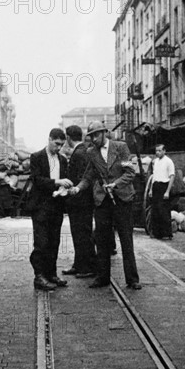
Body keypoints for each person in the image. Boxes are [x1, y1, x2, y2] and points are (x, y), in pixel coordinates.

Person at [69, 121, 141, 290]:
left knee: (126, 239)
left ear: (104, 133)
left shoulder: (121, 147)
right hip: (102, 201)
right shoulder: (91, 152)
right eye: (91, 136)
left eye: (96, 135)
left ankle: (132, 279)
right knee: (102, 240)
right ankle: (103, 277)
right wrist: (77, 188)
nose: (93, 139)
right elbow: (88, 177)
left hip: (122, 199)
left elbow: (130, 173)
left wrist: (115, 184)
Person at [26, 128, 72, 291]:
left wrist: (65, 189)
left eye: (61, 145)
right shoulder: (37, 157)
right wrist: (57, 182)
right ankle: (39, 276)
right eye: (56, 144)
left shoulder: (63, 159)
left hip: (56, 205)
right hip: (40, 206)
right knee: (41, 242)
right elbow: (37, 180)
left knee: (54, 241)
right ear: (49, 139)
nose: (58, 148)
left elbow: (66, 179)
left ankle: (51, 274)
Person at [63, 125, 97, 279]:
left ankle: (88, 267)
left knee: (82, 234)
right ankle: (79, 265)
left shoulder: (79, 153)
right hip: (82, 201)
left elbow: (82, 178)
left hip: (80, 202)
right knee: (79, 234)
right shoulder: (83, 150)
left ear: (68, 138)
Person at [148, 144, 175, 240]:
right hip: (156, 186)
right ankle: (157, 233)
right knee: (155, 210)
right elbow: (154, 176)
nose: (157, 153)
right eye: (156, 151)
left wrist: (167, 191)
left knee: (164, 211)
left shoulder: (169, 161)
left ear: (164, 151)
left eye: (159, 151)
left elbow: (172, 176)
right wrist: (151, 189)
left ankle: (167, 233)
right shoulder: (155, 161)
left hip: (164, 186)